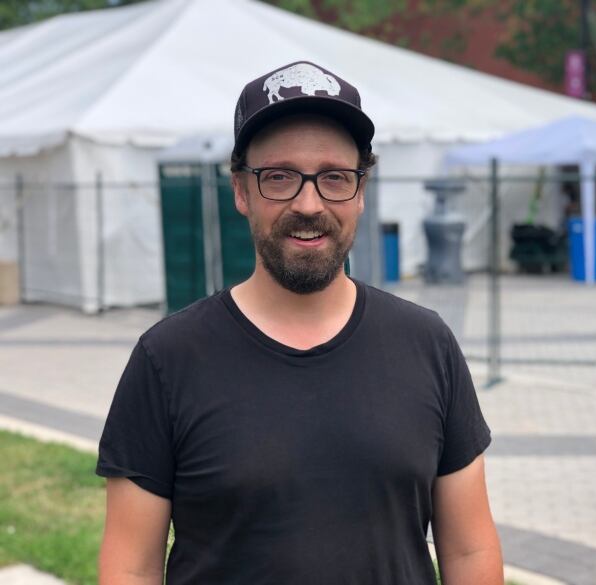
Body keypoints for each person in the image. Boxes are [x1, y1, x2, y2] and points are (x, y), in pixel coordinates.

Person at [96, 61, 503, 585]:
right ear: (241, 191)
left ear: (360, 191)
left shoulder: (427, 344)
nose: (308, 204)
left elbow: (469, 552)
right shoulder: (167, 358)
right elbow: (131, 568)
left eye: (334, 177)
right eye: (279, 177)